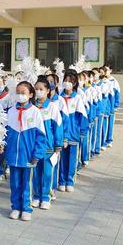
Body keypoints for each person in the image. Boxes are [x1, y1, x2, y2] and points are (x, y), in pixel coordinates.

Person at [1, 81, 47, 221]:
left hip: (28, 156)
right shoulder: (11, 111)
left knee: (27, 183)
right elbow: (4, 132)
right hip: (13, 155)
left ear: (30, 94)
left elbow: (41, 136)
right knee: (14, 183)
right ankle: (15, 207)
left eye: (23, 93)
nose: (20, 95)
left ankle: (26, 208)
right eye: (18, 93)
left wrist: (37, 154)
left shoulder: (35, 112)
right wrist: (2, 146)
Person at [32, 77, 63, 210]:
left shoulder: (52, 107)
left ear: (48, 91)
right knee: (35, 173)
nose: (39, 92)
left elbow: (58, 127)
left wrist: (58, 145)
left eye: (41, 89)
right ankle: (36, 196)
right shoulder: (32, 107)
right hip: (34, 147)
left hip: (48, 147)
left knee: (47, 173)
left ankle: (46, 197)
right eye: (36, 89)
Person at [59, 72, 88, 193]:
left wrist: (82, 132)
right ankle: (61, 181)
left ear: (75, 83)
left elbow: (83, 117)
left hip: (73, 134)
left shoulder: (77, 98)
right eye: (65, 80)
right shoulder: (59, 98)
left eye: (70, 81)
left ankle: (69, 180)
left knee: (72, 158)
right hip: (61, 134)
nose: (67, 83)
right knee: (62, 159)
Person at [47, 72, 66, 200]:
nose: (49, 83)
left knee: (52, 164)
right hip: (41, 141)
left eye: (51, 80)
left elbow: (63, 121)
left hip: (54, 138)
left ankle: (52, 189)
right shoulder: (38, 101)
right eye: (47, 80)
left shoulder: (60, 100)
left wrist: (63, 139)